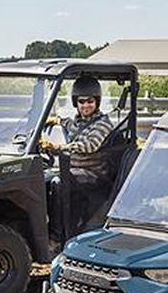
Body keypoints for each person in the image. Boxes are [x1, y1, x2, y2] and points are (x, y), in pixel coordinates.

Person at [40, 75, 115, 236]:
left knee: (58, 182)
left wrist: (57, 147)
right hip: (74, 169)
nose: (86, 105)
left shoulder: (103, 124)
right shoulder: (78, 122)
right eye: (81, 101)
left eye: (90, 101)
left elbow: (89, 145)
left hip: (94, 174)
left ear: (97, 102)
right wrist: (55, 120)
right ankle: (41, 229)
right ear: (76, 103)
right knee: (41, 180)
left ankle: (58, 234)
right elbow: (68, 124)